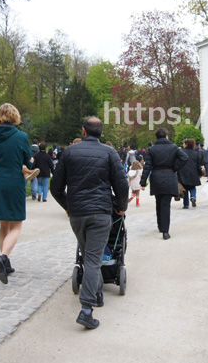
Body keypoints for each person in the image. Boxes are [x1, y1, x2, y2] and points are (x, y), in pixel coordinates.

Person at [50, 116, 128, 330]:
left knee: (89, 256)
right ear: (100, 132)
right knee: (93, 260)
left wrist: (68, 205)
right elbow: (121, 186)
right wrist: (121, 207)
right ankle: (86, 309)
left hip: (78, 214)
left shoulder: (68, 153)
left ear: (83, 131)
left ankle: (99, 293)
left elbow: (55, 187)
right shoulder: (110, 153)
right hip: (100, 213)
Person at [0, 103, 34, 285]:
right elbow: (26, 162)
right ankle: (3, 257)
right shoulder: (21, 136)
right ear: (15, 116)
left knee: (3, 225)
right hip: (14, 181)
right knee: (16, 225)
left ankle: (4, 263)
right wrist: (28, 161)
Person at [140, 127, 188, 240]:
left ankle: (160, 226)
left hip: (156, 177)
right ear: (166, 136)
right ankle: (165, 231)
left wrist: (143, 181)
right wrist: (175, 168)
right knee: (166, 203)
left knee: (158, 202)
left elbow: (147, 166)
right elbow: (185, 158)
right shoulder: (174, 147)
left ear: (156, 137)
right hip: (169, 176)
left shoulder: (151, 149)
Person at [177, 139, 203, 209]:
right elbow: (198, 165)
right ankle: (193, 197)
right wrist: (200, 173)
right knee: (192, 187)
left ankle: (186, 204)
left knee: (184, 188)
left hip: (182, 172)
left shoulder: (180, 152)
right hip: (193, 172)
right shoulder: (196, 153)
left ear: (186, 144)